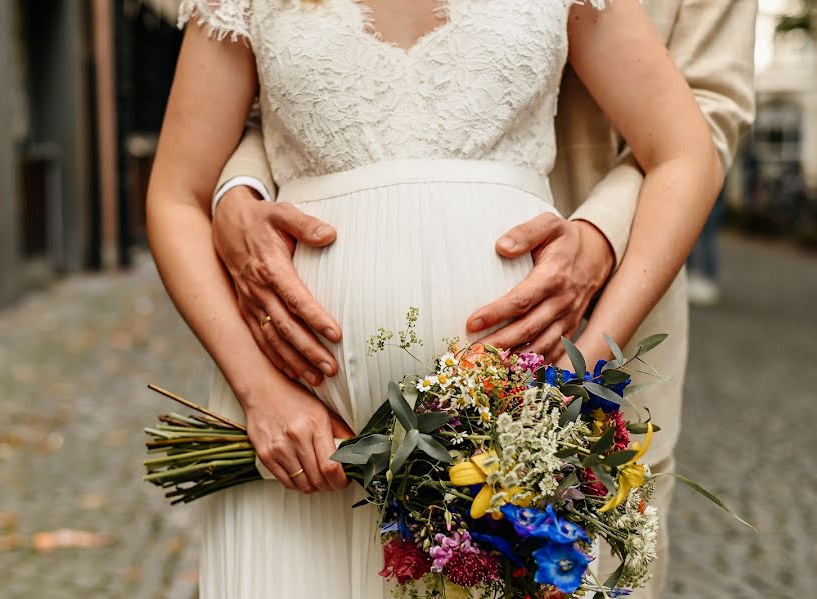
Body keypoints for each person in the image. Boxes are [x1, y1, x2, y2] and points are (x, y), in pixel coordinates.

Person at [146, 1, 738, 597]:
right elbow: (179, 194)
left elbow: (686, 150)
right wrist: (260, 391)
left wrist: (586, 367)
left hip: (506, 451)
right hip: (297, 442)